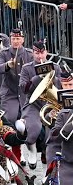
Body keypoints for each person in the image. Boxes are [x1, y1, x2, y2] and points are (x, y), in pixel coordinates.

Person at [19, 39, 62, 169]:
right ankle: (31, 149)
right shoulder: (26, 68)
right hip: (33, 103)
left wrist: (51, 77)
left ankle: (46, 159)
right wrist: (37, 78)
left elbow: (61, 86)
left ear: (47, 53)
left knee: (51, 135)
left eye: (42, 53)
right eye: (37, 53)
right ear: (32, 54)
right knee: (33, 129)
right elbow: (23, 88)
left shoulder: (55, 67)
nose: (40, 56)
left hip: (51, 103)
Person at [0, 27, 33, 125]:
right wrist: (7, 65)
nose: (15, 41)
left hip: (26, 94)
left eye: (18, 39)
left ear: (23, 39)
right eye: (13, 39)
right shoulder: (4, 53)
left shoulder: (29, 54)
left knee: (29, 120)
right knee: (8, 119)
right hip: (9, 92)